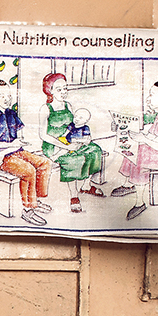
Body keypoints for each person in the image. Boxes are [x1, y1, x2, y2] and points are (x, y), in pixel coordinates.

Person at [0, 79, 53, 226]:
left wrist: (19, 142)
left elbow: (19, 134)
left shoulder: (11, 113)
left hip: (16, 151)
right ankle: (28, 210)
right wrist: (9, 145)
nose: (7, 98)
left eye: (9, 95)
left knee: (45, 163)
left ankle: (36, 199)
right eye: (2, 95)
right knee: (28, 170)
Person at [39, 72, 111, 212]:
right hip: (54, 145)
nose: (63, 92)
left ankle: (85, 185)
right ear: (50, 90)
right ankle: (74, 196)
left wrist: (83, 138)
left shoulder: (68, 106)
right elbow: (43, 135)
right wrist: (66, 145)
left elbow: (75, 126)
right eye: (59, 89)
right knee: (74, 159)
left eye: (65, 88)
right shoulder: (46, 109)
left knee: (95, 150)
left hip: (72, 140)